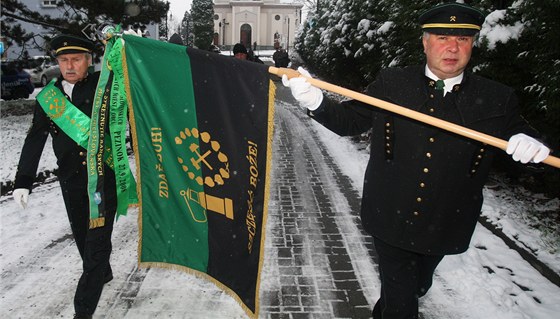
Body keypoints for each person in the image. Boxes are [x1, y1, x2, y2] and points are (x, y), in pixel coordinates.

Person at [282, 3, 551, 318]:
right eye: (441, 37)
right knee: (402, 302)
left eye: (463, 39)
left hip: (446, 221)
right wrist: (313, 100)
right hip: (390, 214)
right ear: (425, 42)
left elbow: (526, 142)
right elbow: (349, 122)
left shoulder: (497, 97)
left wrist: (531, 146)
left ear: (473, 44)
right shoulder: (393, 83)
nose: (452, 47)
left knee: (416, 287)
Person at [12, 34, 118, 319]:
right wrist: (23, 181)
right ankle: (102, 271)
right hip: (70, 181)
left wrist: (127, 48)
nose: (69, 66)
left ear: (88, 61)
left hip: (102, 180)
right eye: (63, 60)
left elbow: (138, 80)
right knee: (83, 236)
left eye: (76, 59)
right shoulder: (49, 97)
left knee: (97, 243)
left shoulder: (105, 86)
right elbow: (35, 138)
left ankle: (83, 310)